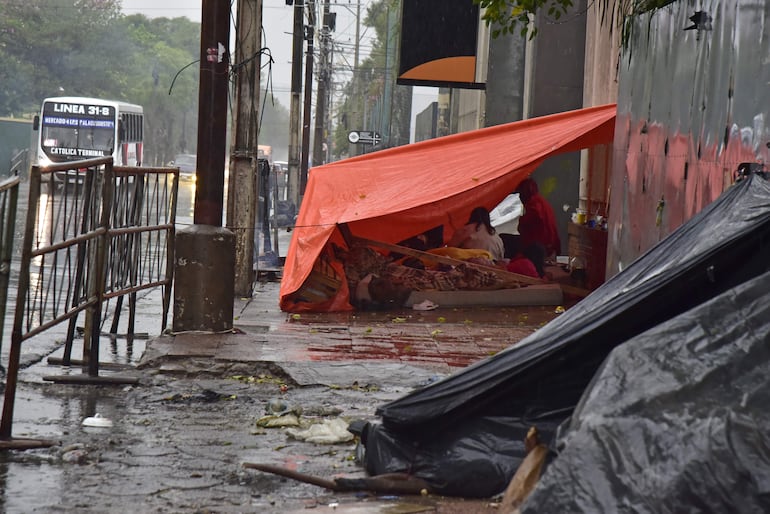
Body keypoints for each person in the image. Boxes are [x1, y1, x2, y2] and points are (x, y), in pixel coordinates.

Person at [515, 177, 561, 259]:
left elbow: (522, 227)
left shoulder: (533, 205)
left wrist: (521, 220)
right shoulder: (543, 202)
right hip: (551, 245)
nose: (519, 197)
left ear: (525, 193)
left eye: (520, 194)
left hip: (541, 248)